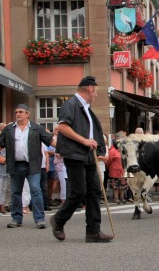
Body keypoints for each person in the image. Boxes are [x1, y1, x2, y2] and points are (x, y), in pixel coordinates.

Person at [50, 76, 113, 243]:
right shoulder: (70, 104)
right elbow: (62, 127)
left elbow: (93, 132)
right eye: (96, 91)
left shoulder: (86, 108)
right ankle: (59, 219)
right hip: (75, 154)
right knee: (79, 192)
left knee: (94, 191)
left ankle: (93, 232)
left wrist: (98, 148)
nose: (96, 95)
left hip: (88, 155)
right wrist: (84, 140)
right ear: (90, 89)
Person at [0, 104, 55, 229]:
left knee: (36, 190)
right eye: (16, 112)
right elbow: (0, 143)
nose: (18, 114)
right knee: (16, 192)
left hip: (33, 165)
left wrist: (64, 148)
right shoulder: (8, 129)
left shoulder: (36, 128)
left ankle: (39, 219)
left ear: (27, 114)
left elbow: (50, 141)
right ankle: (16, 218)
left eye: (21, 112)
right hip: (16, 164)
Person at [106, 131, 126, 204]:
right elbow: (108, 161)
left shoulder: (123, 150)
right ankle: (116, 198)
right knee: (116, 186)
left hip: (122, 170)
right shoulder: (113, 150)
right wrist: (109, 168)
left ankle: (122, 197)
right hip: (115, 170)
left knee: (123, 185)